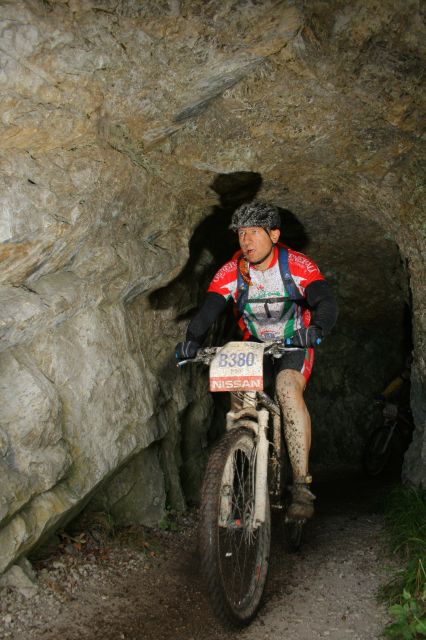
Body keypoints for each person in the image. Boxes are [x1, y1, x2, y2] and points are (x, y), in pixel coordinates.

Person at [175, 201, 338, 519]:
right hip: (254, 345)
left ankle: (301, 485)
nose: (245, 240)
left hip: (294, 343)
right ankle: (245, 469)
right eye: (241, 234)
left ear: (274, 235)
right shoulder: (232, 271)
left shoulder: (297, 265)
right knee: (241, 400)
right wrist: (192, 341)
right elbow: (209, 310)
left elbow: (325, 301)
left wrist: (316, 329)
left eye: (253, 232)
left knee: (287, 389)